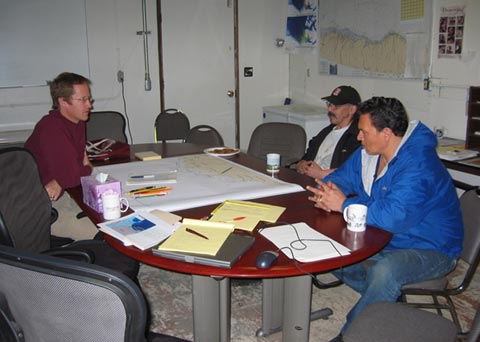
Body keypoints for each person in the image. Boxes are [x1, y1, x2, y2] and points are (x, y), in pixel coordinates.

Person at [306, 97, 463, 340]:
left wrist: (344, 204)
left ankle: (351, 333)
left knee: (385, 273)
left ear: (386, 133)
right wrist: (328, 192)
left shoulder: (420, 166)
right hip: (387, 239)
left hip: (431, 248)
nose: (358, 137)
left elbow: (393, 217)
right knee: (327, 248)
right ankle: (381, 297)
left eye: (363, 132)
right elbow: (344, 178)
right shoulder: (370, 152)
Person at [25, 72, 98, 240]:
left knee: (114, 214)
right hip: (46, 207)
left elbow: (73, 171)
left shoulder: (78, 122)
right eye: (83, 100)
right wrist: (84, 167)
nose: (89, 105)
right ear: (63, 102)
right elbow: (73, 174)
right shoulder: (52, 128)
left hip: (67, 193)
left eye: (89, 99)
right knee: (107, 233)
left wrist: (65, 178)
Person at [296, 85, 361, 179]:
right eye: (329, 104)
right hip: (309, 181)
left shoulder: (357, 137)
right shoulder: (327, 131)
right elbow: (308, 156)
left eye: (336, 106)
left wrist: (321, 174)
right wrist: (301, 164)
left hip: (331, 187)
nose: (330, 109)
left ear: (352, 109)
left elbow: (351, 172)